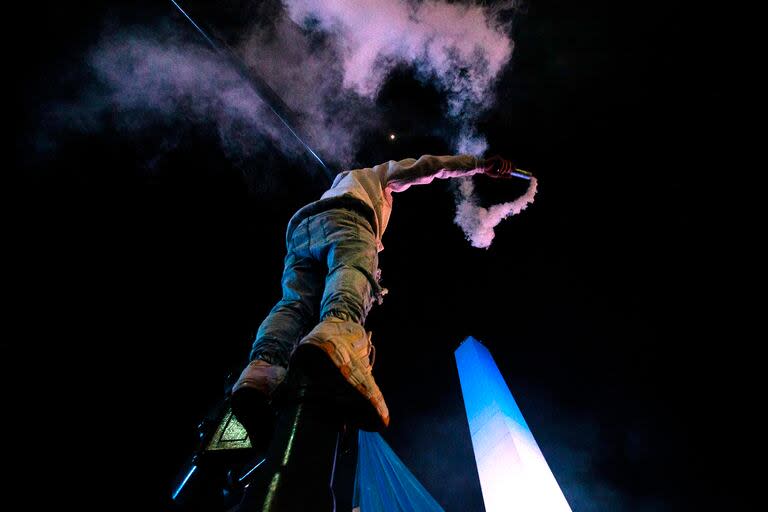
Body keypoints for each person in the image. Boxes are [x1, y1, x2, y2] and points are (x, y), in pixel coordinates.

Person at [230, 154, 520, 438]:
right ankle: (338, 336)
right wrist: (480, 165)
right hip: (348, 217)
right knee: (352, 269)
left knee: (294, 304)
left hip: (302, 230)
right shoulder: (374, 175)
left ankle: (262, 369)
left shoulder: (332, 188)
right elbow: (429, 167)